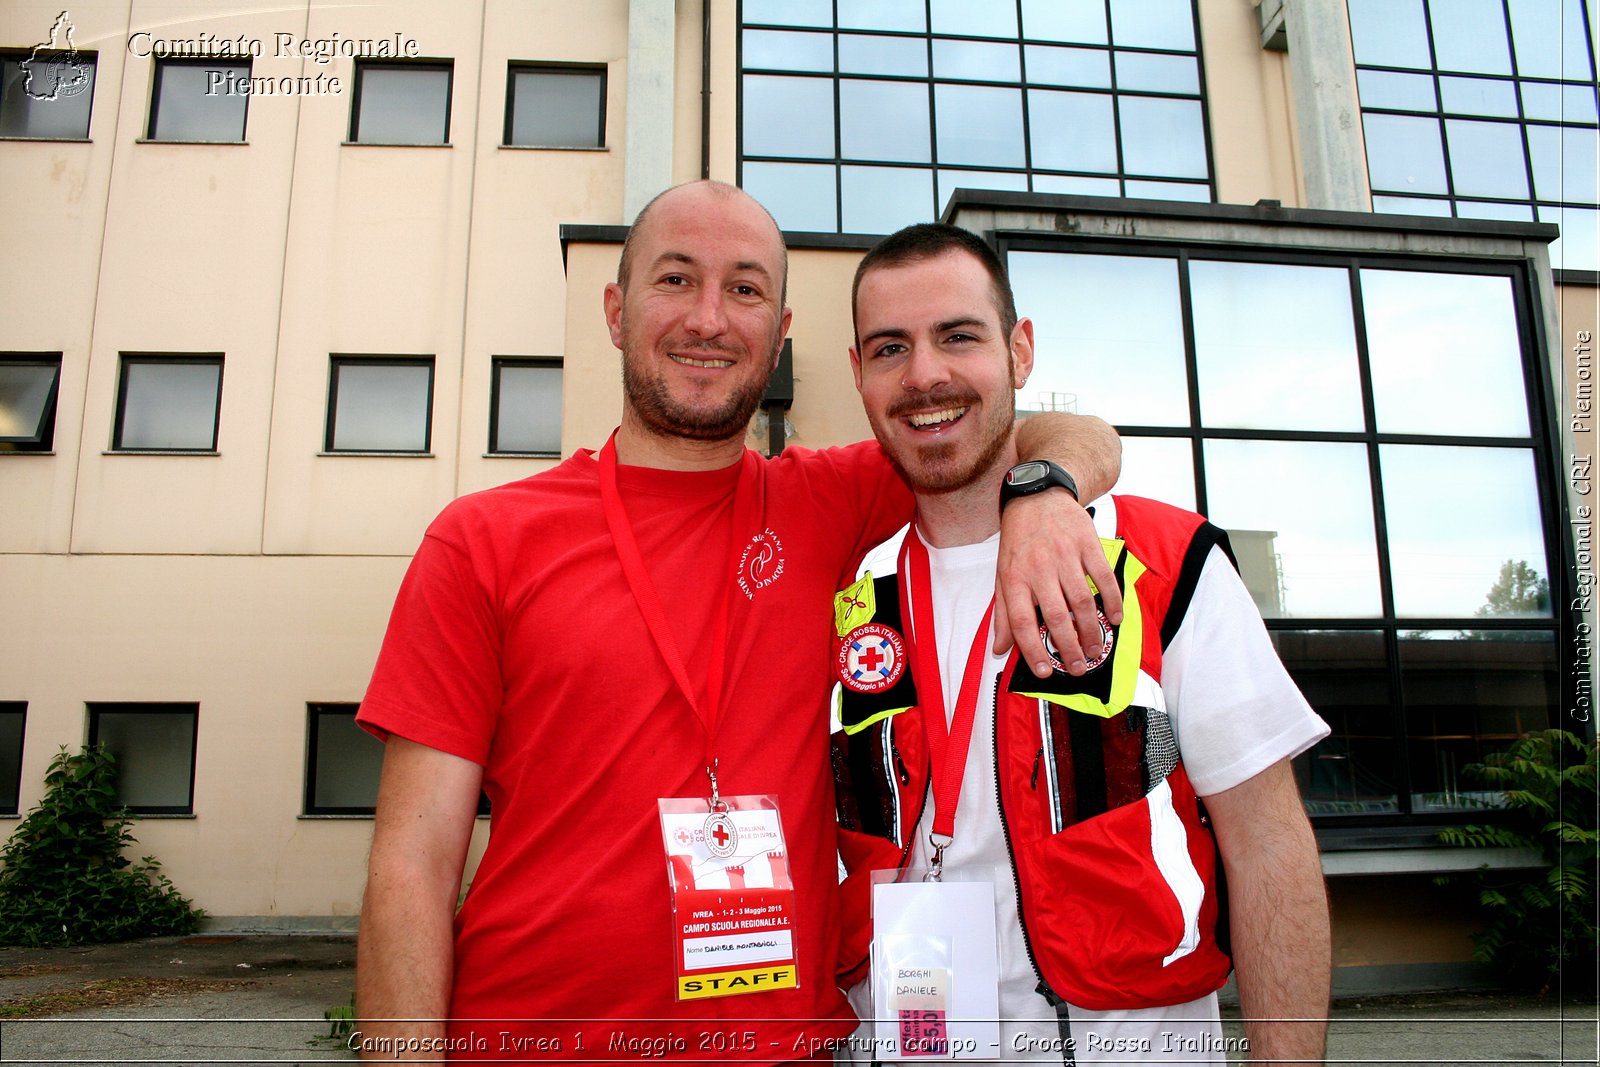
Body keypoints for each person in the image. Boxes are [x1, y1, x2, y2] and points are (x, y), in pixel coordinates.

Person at [352, 182, 1124, 1062]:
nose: (710, 319)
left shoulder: (825, 498)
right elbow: (411, 867)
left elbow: (1053, 428)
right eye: (675, 280)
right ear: (615, 309)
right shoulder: (481, 541)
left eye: (746, 289)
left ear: (781, 330)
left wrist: (1048, 490)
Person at [830, 223, 1332, 1065]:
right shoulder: (851, 596)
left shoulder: (1164, 561)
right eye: (891, 348)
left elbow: (1268, 844)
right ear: (858, 375)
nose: (925, 375)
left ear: (1020, 351)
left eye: (959, 335)